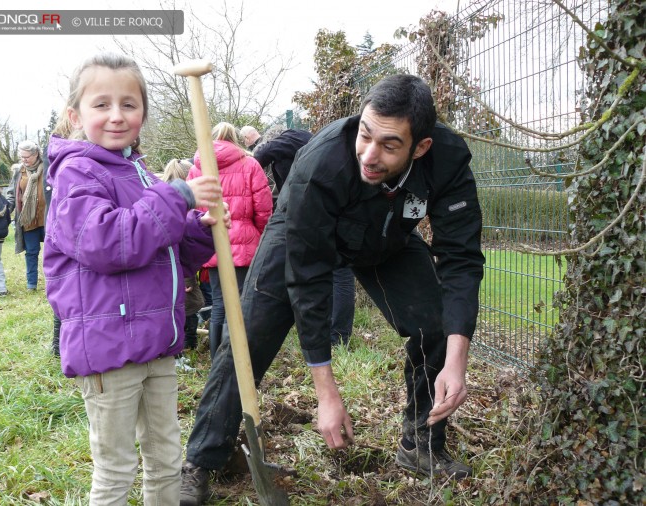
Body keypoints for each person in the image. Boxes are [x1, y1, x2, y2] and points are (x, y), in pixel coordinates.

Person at [180, 74, 485, 505]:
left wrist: (457, 360)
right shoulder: (321, 161)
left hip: (387, 238)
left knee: (434, 324)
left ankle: (421, 444)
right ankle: (202, 459)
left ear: (421, 147)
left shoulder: (448, 161)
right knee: (247, 340)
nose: (370, 154)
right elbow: (309, 279)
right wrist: (326, 392)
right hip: (303, 232)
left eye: (389, 145)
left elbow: (462, 260)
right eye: (365, 135)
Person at [43, 52, 229, 505]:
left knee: (166, 456)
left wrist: (195, 232)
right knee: (116, 468)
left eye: (129, 104)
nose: (116, 115)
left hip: (156, 341)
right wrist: (178, 193)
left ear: (143, 113)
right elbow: (108, 243)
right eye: (101, 104)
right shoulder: (76, 173)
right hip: (109, 349)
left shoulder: (139, 172)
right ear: (75, 115)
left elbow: (160, 253)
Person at [254, 128, 356, 347]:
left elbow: (261, 155)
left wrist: (244, 163)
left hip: (324, 211)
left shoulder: (292, 138)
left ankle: (337, 335)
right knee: (332, 273)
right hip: (318, 211)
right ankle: (334, 333)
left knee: (339, 273)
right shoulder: (300, 148)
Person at [187, 122, 273, 360]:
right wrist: (259, 236)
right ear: (236, 139)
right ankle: (238, 360)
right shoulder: (250, 164)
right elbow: (264, 209)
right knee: (242, 305)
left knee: (219, 305)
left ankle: (218, 360)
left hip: (213, 243)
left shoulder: (197, 169)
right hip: (245, 245)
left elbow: (192, 211)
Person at [163, 158, 207, 350]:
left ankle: (186, 346)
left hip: (180, 263)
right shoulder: (177, 205)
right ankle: (185, 347)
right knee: (188, 305)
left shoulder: (164, 198)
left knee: (190, 304)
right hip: (179, 265)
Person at [6, 140, 50, 291]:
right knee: (31, 252)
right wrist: (5, 210)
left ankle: (54, 282)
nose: (24, 160)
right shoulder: (19, 171)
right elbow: (12, 194)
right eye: (21, 157)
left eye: (27, 157)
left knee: (53, 251)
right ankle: (31, 284)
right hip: (28, 219)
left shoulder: (48, 167)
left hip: (47, 218)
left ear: (36, 154)